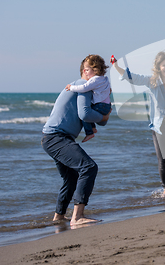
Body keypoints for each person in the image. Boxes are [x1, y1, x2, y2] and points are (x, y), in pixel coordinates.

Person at [111, 51, 165, 198]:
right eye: (164, 66)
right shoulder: (152, 81)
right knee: (163, 160)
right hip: (159, 125)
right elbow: (133, 78)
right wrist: (117, 67)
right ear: (159, 66)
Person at [41, 58, 111, 226]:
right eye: (93, 70)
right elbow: (85, 114)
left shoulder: (80, 86)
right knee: (89, 167)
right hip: (56, 137)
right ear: (85, 71)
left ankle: (59, 216)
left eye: (100, 70)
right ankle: (77, 216)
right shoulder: (83, 86)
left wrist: (101, 118)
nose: (97, 75)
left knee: (71, 178)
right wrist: (103, 117)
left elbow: (93, 118)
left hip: (52, 138)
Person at [66, 54, 111, 143]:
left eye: (87, 70)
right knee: (88, 111)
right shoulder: (105, 79)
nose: (85, 72)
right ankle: (93, 127)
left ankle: (89, 132)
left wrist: (71, 87)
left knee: (84, 113)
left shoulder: (95, 80)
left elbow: (84, 88)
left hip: (100, 105)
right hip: (107, 106)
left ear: (95, 69)